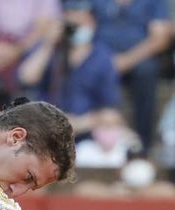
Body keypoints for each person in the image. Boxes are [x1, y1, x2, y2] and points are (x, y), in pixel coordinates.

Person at [16, 1, 123, 134]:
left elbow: (111, 110)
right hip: (45, 129)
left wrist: (80, 123)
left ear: (93, 23)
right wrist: (48, 44)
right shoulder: (52, 49)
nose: (76, 29)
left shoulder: (102, 57)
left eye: (81, 23)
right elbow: (27, 77)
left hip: (86, 133)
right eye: (72, 25)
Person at [87, 0, 174, 150]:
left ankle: (142, 145)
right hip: (98, 56)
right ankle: (86, 141)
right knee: (88, 69)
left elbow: (160, 38)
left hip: (138, 58)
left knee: (147, 72)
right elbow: (82, 22)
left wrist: (125, 61)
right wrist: (104, 60)